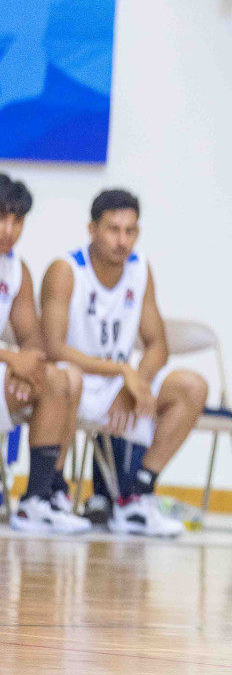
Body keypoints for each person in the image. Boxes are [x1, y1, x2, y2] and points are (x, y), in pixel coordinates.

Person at [40, 189, 209, 538]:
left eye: (130, 231)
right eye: (113, 229)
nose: (122, 240)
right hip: (76, 383)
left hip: (122, 382)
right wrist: (123, 373)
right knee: (66, 379)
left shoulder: (140, 269)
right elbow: (54, 348)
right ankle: (52, 492)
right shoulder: (66, 269)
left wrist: (136, 383)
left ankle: (136, 497)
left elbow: (158, 345)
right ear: (92, 229)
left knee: (192, 386)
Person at [0, 175, 88, 534]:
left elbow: (34, 343)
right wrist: (11, 360)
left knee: (60, 376)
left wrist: (25, 368)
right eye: (2, 218)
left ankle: (38, 499)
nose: (9, 229)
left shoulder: (16, 269)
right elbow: (18, 353)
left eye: (18, 221)